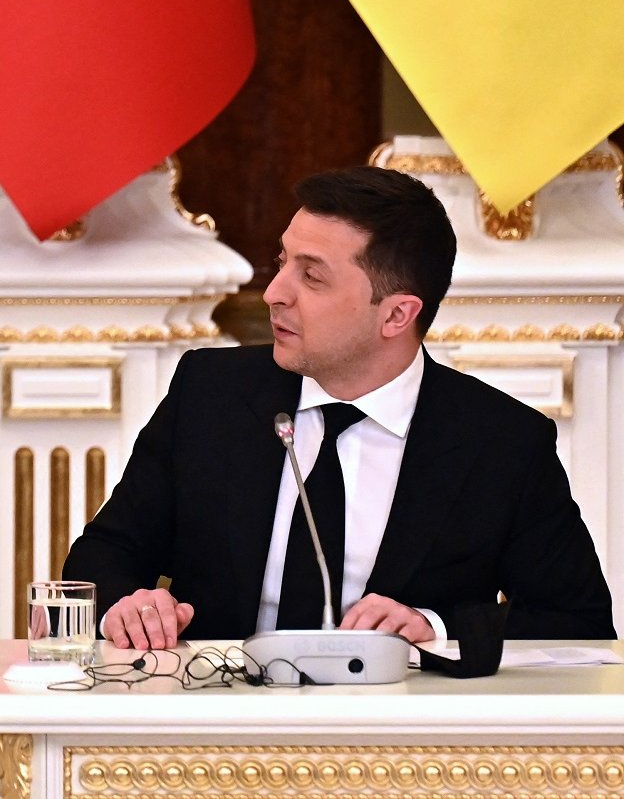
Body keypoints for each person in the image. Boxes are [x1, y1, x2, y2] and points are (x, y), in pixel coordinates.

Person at [66, 165, 613, 650]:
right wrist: (130, 604)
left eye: (312, 276)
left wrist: (434, 627)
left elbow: (578, 622)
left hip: (401, 743)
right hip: (218, 724)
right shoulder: (211, 394)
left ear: (397, 315)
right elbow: (106, 553)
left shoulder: (503, 443)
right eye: (282, 263)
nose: (274, 292)